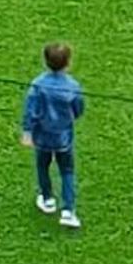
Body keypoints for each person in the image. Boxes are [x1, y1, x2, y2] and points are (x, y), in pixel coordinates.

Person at [20, 42, 86, 228]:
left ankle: (47, 198)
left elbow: (30, 111)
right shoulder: (72, 86)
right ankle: (68, 210)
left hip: (42, 137)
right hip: (63, 136)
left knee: (43, 166)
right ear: (68, 63)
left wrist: (27, 132)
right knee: (67, 171)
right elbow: (78, 107)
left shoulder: (38, 85)